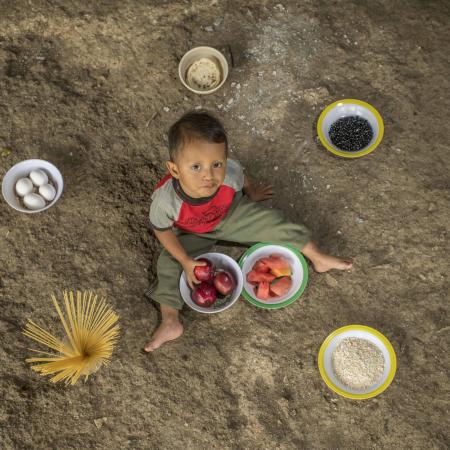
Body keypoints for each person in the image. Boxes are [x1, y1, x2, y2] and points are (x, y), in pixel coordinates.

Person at [144, 111, 352, 352]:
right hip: (191, 233)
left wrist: (251, 191)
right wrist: (185, 260)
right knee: (168, 262)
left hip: (230, 215)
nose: (208, 175)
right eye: (196, 167)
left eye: (216, 164)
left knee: (273, 221)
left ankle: (317, 257)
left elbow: (240, 174)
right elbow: (162, 231)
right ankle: (170, 320)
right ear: (175, 170)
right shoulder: (165, 202)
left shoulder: (228, 175)